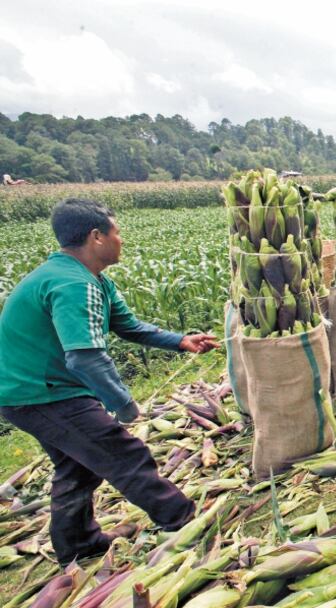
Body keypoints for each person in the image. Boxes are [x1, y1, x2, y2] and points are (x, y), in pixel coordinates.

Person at [0, 199, 220, 566]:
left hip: (33, 391)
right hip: (40, 393)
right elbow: (84, 356)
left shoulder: (90, 280)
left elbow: (129, 326)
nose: (122, 239)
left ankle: (79, 545)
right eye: (117, 232)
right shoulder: (71, 284)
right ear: (96, 236)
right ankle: (182, 519)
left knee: (77, 465)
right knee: (123, 453)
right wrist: (122, 404)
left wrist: (181, 341)